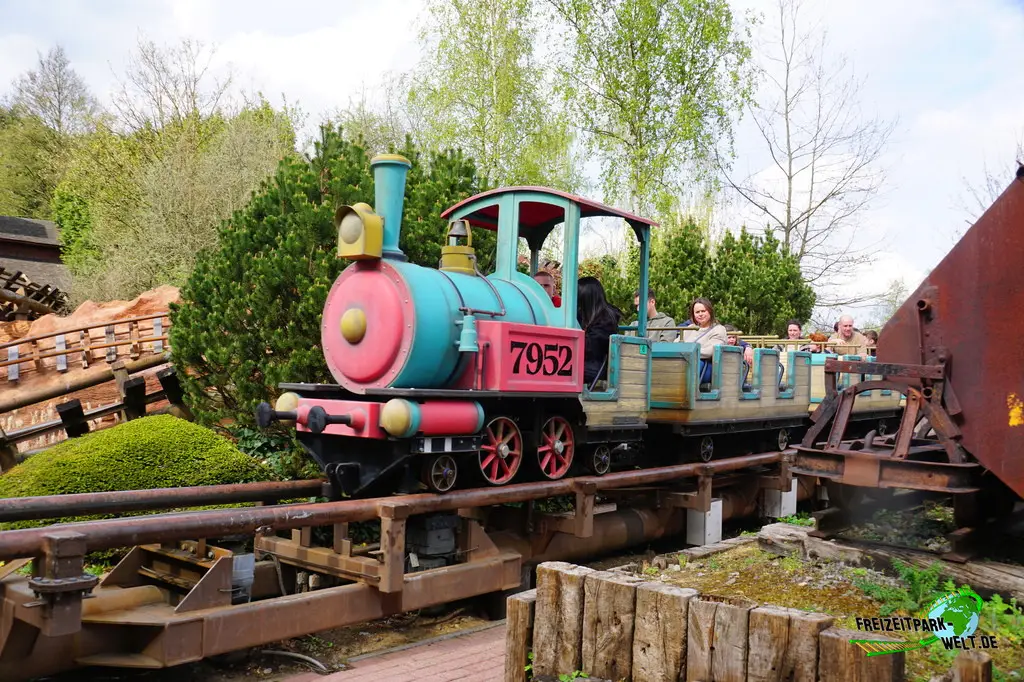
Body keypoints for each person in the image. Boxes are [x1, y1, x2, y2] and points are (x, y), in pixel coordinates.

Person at [577, 276, 622, 387]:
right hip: (584, 362)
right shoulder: (582, 315)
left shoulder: (606, 320)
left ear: (585, 299)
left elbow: (592, 349)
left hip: (595, 365)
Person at [676, 297, 727, 386]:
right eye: (697, 312)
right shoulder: (690, 328)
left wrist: (686, 351)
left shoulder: (718, 329)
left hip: (705, 366)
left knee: (692, 366)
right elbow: (675, 344)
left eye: (703, 311)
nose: (700, 314)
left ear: (710, 311)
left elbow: (709, 352)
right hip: (684, 361)